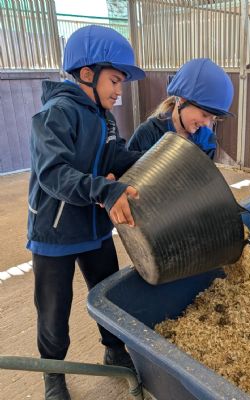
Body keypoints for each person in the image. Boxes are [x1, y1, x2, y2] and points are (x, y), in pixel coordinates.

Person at [27, 25, 145, 400]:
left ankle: (114, 350)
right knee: (54, 310)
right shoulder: (55, 114)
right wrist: (103, 189)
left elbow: (115, 156)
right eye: (115, 81)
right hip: (55, 232)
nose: (119, 90)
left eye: (121, 83)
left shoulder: (104, 117)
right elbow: (53, 174)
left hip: (93, 228)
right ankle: (53, 372)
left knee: (108, 295)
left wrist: (154, 160)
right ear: (87, 74)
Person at [127, 58, 234, 159]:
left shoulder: (207, 141)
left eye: (213, 118)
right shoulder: (148, 134)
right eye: (204, 114)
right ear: (182, 99)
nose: (207, 123)